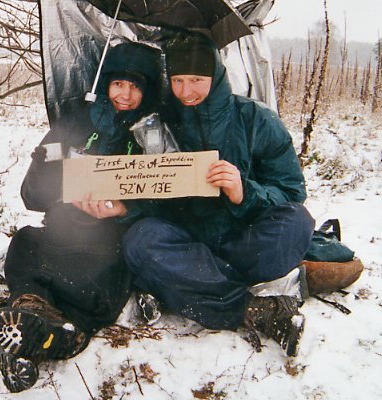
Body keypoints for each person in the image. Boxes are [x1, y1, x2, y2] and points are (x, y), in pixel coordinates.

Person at [121, 32, 315, 357]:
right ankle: (255, 309)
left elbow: (292, 192)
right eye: (179, 80)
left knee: (297, 222)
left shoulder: (257, 119)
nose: (186, 91)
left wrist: (245, 192)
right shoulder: (156, 124)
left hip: (243, 239)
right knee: (139, 239)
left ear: (217, 75)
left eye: (196, 79)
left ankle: (187, 285)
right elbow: (142, 194)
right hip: (188, 239)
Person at [0, 41, 162, 392]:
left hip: (109, 237)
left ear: (148, 91)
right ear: (106, 83)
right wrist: (46, 167)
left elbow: (162, 200)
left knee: (98, 274)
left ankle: (62, 333)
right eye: (119, 84)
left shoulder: (153, 137)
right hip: (61, 228)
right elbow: (33, 196)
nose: (125, 94)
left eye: (136, 86)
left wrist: (126, 208)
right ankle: (30, 313)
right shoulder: (76, 122)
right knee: (25, 244)